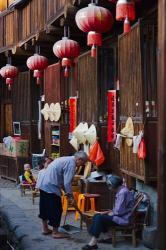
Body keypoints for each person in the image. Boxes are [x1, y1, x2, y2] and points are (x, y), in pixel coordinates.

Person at [37, 151, 88, 238]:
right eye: (83, 163)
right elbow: (67, 182)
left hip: (43, 184)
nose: (82, 165)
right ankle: (55, 232)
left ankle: (45, 229)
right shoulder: (71, 164)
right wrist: (70, 196)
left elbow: (63, 180)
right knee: (56, 209)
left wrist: (67, 193)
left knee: (44, 207)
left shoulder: (65, 159)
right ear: (79, 159)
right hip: (51, 186)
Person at [82, 175, 135, 250]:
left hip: (123, 218)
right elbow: (119, 209)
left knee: (99, 218)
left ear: (113, 186)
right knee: (97, 216)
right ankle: (108, 237)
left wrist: (109, 213)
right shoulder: (122, 190)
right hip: (121, 215)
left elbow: (119, 212)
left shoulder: (122, 193)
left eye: (110, 186)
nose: (109, 188)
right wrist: (108, 212)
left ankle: (93, 242)